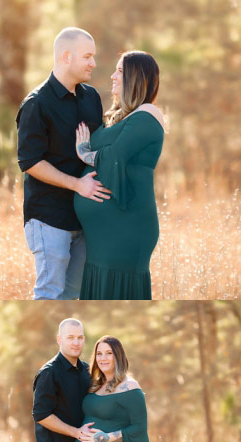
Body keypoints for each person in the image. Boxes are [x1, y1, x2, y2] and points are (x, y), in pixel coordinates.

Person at [16, 28, 111, 300]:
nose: (93, 63)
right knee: (49, 294)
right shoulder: (36, 104)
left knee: (73, 296)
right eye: (88, 56)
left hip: (85, 218)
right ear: (66, 56)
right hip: (49, 218)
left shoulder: (91, 97)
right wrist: (76, 185)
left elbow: (98, 147)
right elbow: (30, 162)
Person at [72, 51, 166, 300]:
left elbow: (116, 155)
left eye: (120, 71)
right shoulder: (119, 118)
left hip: (127, 228)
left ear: (138, 77)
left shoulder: (148, 114)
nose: (113, 76)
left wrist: (85, 154)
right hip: (102, 236)